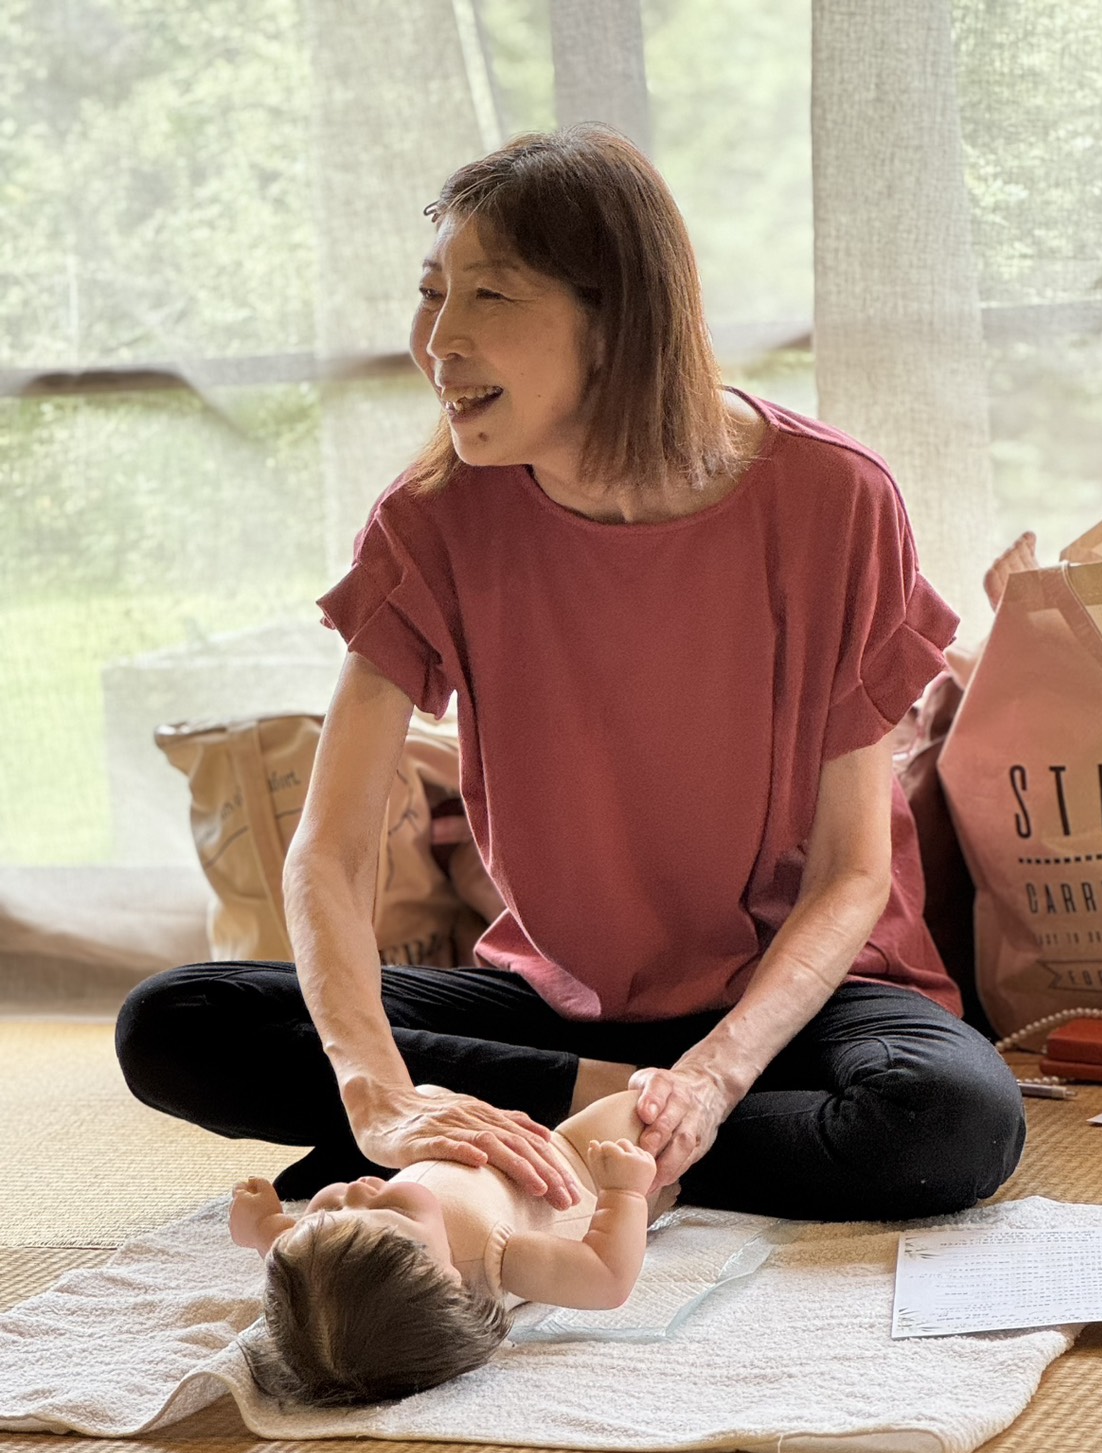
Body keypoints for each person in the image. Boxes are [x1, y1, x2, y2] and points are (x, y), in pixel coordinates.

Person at [116, 123, 1025, 1226]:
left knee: (949, 1119)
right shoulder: (432, 520)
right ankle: (603, 1128)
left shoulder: (835, 500)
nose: (437, 340)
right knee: (177, 1021)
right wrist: (379, 1096)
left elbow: (850, 873)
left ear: (617, 315)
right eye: (431, 293)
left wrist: (713, 1077)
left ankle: (540, 1142)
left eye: (488, 296)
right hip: (557, 1008)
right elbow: (332, 850)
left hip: (805, 1007)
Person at [230, 1089, 668, 1404]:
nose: (357, 1189)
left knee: (421, 1091)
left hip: (471, 1136)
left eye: (326, 1212)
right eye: (392, 1209)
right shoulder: (494, 1256)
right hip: (575, 1164)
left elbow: (287, 1254)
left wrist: (262, 1223)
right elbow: (606, 1278)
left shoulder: (311, 1264)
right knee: (647, 1109)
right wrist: (623, 1193)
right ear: (451, 1281)